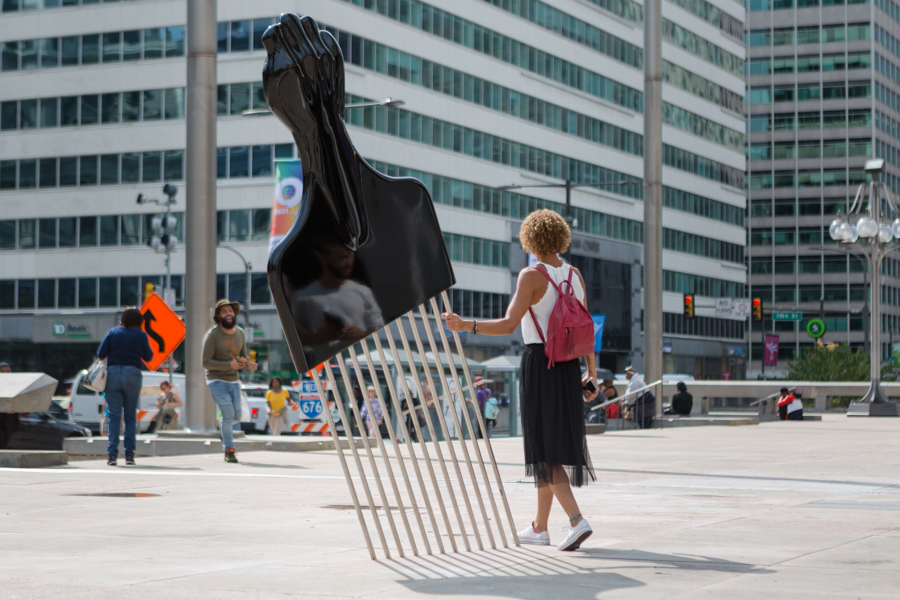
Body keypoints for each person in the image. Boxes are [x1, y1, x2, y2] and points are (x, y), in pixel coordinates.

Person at [443, 209, 598, 552]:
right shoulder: (575, 274)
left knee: (545, 451)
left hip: (541, 362)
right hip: (570, 365)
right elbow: (585, 329)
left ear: (529, 239)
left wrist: (465, 325)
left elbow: (509, 324)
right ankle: (540, 528)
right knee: (548, 449)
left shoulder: (532, 275)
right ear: (560, 237)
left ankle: (576, 520)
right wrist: (592, 373)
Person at [202, 299, 257, 463]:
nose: (228, 314)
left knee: (237, 416)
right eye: (224, 311)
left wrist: (248, 363)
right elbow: (205, 362)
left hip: (234, 380)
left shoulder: (240, 333)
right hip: (216, 380)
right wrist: (229, 365)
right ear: (218, 316)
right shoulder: (212, 335)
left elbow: (241, 355)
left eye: (230, 311)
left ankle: (223, 426)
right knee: (229, 414)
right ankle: (229, 450)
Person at [97, 307, 153, 466]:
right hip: (132, 374)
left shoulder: (113, 332)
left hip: (113, 374)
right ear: (140, 321)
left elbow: (101, 353)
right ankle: (129, 455)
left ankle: (112, 455)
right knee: (129, 416)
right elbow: (148, 356)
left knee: (114, 415)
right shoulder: (141, 336)